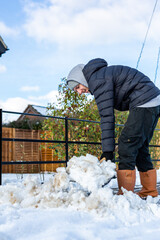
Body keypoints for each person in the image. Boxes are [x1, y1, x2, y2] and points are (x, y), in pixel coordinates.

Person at [66, 58, 160, 198]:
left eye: (78, 87)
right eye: (76, 90)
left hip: (145, 101)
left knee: (126, 143)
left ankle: (126, 195)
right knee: (139, 146)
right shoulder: (100, 76)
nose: (79, 92)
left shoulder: (97, 80)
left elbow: (107, 117)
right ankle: (149, 191)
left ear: (82, 79)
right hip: (152, 100)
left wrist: (108, 151)